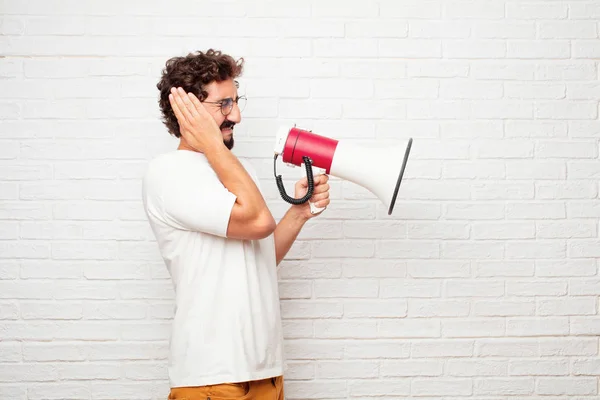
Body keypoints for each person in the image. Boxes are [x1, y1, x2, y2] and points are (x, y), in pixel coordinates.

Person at [142, 49, 330, 400]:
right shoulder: (169, 172)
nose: (237, 116)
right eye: (224, 104)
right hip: (212, 379)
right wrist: (214, 145)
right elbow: (259, 220)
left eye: (236, 101)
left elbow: (259, 257)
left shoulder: (240, 172)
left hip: (266, 374)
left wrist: (299, 212)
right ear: (189, 110)